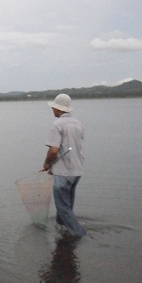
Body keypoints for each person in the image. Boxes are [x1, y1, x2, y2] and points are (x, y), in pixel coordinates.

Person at [40, 93, 86, 238]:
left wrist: (46, 164)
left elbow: (53, 150)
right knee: (67, 206)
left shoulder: (57, 124)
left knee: (62, 207)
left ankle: (79, 235)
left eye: (53, 107)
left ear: (58, 109)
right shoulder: (78, 124)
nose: (52, 109)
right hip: (77, 172)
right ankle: (62, 229)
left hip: (63, 172)